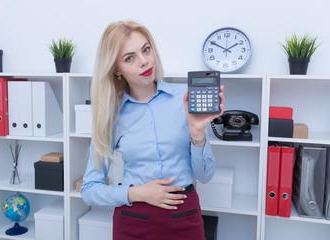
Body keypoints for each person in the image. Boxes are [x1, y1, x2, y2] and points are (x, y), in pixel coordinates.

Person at [81, 20, 225, 240]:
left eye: (146, 50)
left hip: (184, 216)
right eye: (130, 58)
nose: (144, 61)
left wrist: (197, 134)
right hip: (133, 219)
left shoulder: (185, 98)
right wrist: (138, 193)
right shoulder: (111, 115)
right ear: (116, 69)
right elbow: (89, 189)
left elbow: (205, 176)